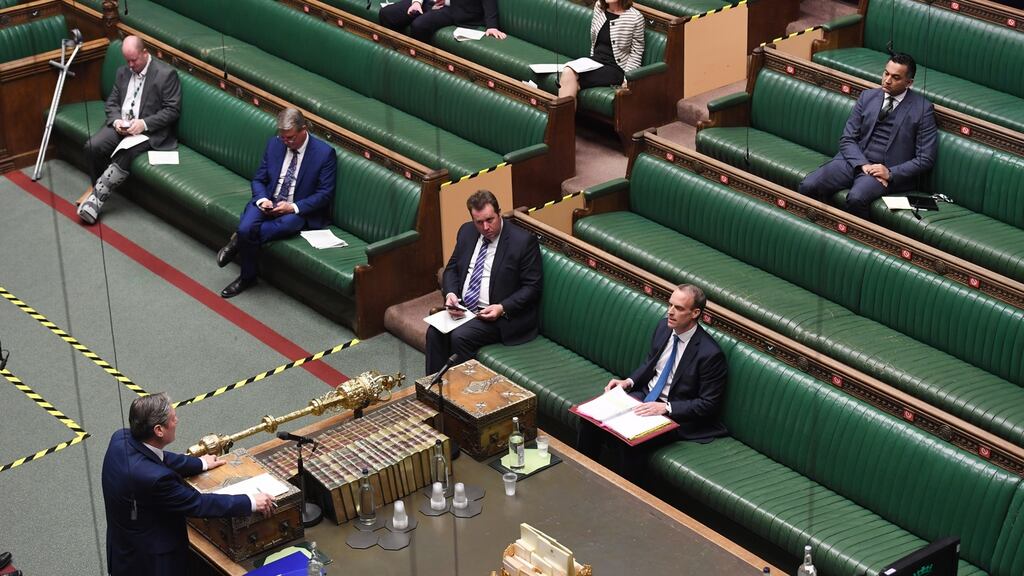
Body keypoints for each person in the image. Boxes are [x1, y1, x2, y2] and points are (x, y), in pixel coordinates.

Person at [102, 393, 275, 576]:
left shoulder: (120, 439)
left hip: (123, 551)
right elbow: (198, 504)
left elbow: (159, 458)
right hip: (153, 564)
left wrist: (201, 463)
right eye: (172, 417)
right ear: (159, 430)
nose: (177, 419)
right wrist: (251, 502)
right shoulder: (156, 479)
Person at [577, 284, 727, 481]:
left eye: (679, 308)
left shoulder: (710, 354)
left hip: (676, 416)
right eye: (670, 305)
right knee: (590, 421)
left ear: (695, 313)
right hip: (645, 397)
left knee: (630, 440)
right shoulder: (664, 327)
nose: (670, 312)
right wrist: (628, 382)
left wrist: (666, 407)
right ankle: (582, 475)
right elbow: (651, 363)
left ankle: (626, 495)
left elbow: (708, 404)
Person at [797, 52, 938, 220]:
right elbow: (847, 139)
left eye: (896, 77)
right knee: (808, 185)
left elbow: (925, 159)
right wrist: (862, 164)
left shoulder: (922, 109)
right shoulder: (867, 97)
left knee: (856, 198)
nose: (887, 80)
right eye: (886, 73)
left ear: (909, 83)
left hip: (884, 171)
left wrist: (890, 173)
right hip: (853, 161)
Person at [216, 108, 337, 298]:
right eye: (283, 137)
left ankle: (244, 267)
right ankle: (242, 240)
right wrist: (263, 199)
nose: (286, 142)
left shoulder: (324, 153)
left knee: (251, 231)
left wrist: (293, 207)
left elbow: (325, 194)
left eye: (290, 138)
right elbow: (258, 179)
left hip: (295, 211)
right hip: (268, 202)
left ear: (303, 129)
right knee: (248, 227)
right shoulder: (274, 144)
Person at [425, 190, 542, 375]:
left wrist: (502, 307)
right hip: (465, 310)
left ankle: (464, 397)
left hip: (500, 317)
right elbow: (452, 269)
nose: (486, 227)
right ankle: (433, 391)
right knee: (434, 332)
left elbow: (532, 288)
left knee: (460, 336)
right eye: (479, 222)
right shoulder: (466, 232)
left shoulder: (523, 242)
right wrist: (451, 294)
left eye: (490, 220)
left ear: (499, 213)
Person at [77, 36, 181, 224]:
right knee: (92, 146)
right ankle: (97, 187)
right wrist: (117, 121)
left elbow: (172, 111)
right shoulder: (122, 72)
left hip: (149, 132)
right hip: (122, 127)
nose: (131, 65)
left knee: (126, 152)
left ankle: (96, 200)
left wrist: (144, 123)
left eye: (134, 60)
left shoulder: (166, 75)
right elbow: (112, 103)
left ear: (145, 53)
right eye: (128, 61)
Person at [558, 0, 645, 105]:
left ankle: (562, 120)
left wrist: (627, 79)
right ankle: (564, 120)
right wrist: (589, 62)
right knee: (568, 73)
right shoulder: (599, 6)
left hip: (616, 68)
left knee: (568, 78)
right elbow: (594, 40)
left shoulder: (635, 18)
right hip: (595, 61)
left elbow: (636, 53)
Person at [379, 0, 507, 43]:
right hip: (429, 2)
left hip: (454, 9)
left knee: (420, 25)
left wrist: (492, 26)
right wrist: (417, 3)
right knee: (387, 14)